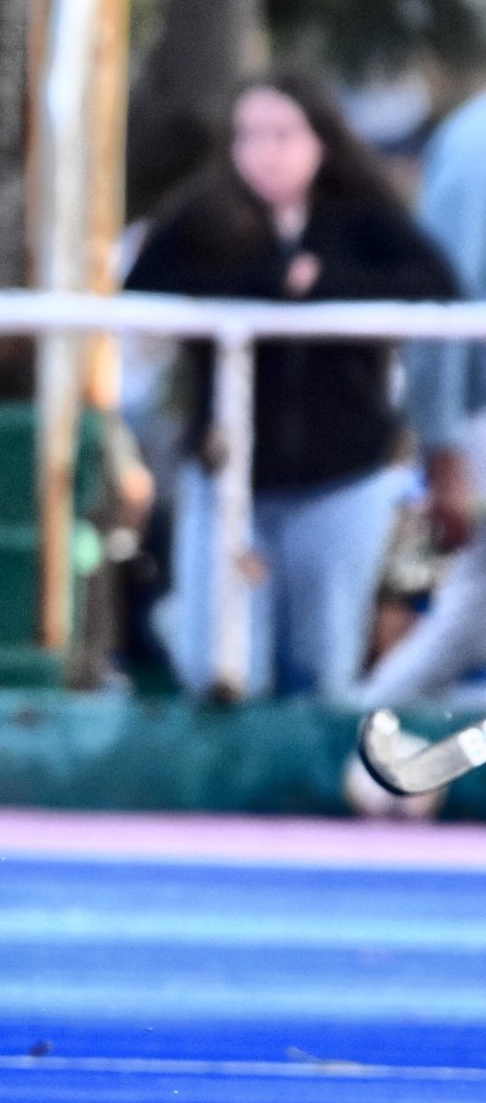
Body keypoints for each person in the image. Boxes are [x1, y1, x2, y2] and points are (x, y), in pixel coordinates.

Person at [127, 71, 457, 699]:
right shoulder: (206, 219)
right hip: (229, 477)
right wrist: (267, 285)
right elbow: (143, 294)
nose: (266, 151)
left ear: (321, 141)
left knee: (320, 666)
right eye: (250, 135)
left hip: (342, 479)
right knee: (222, 667)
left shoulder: (364, 219)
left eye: (283, 134)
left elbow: (433, 289)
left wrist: (325, 286)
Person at [357, 86, 486, 710]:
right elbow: (442, 299)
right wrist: (441, 442)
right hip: (478, 414)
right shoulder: (475, 140)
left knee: (471, 612)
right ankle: (360, 737)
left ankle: (365, 733)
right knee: (470, 610)